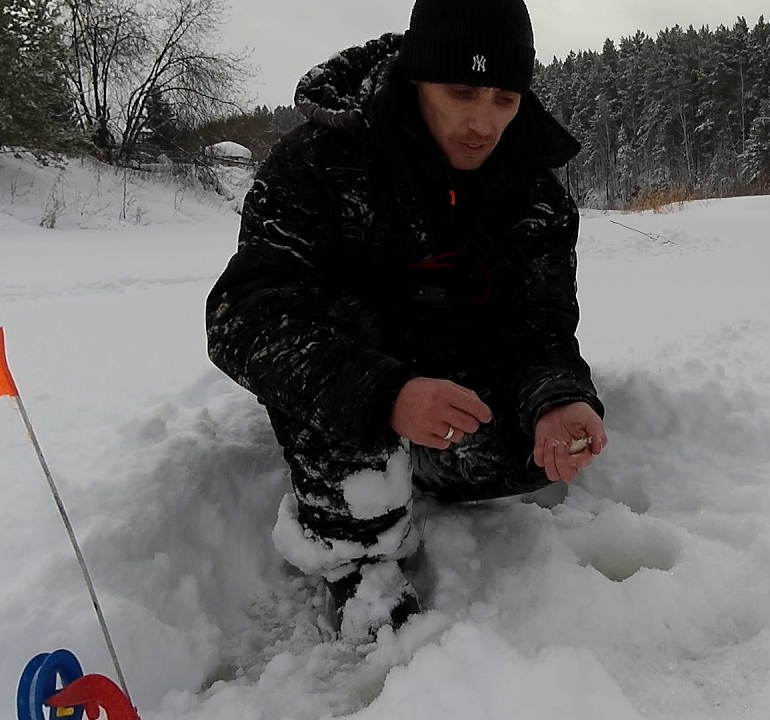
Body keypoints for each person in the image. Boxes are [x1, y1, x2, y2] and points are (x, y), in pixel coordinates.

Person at [204, 0, 606, 640]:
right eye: (462, 91)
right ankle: (358, 554)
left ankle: (416, 463)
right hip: (351, 385)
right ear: (419, 77)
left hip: (453, 387)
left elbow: (541, 326)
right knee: (341, 325)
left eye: (504, 97)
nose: (483, 122)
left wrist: (556, 398)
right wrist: (385, 394)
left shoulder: (538, 195)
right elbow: (242, 319)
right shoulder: (319, 163)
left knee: (538, 448)